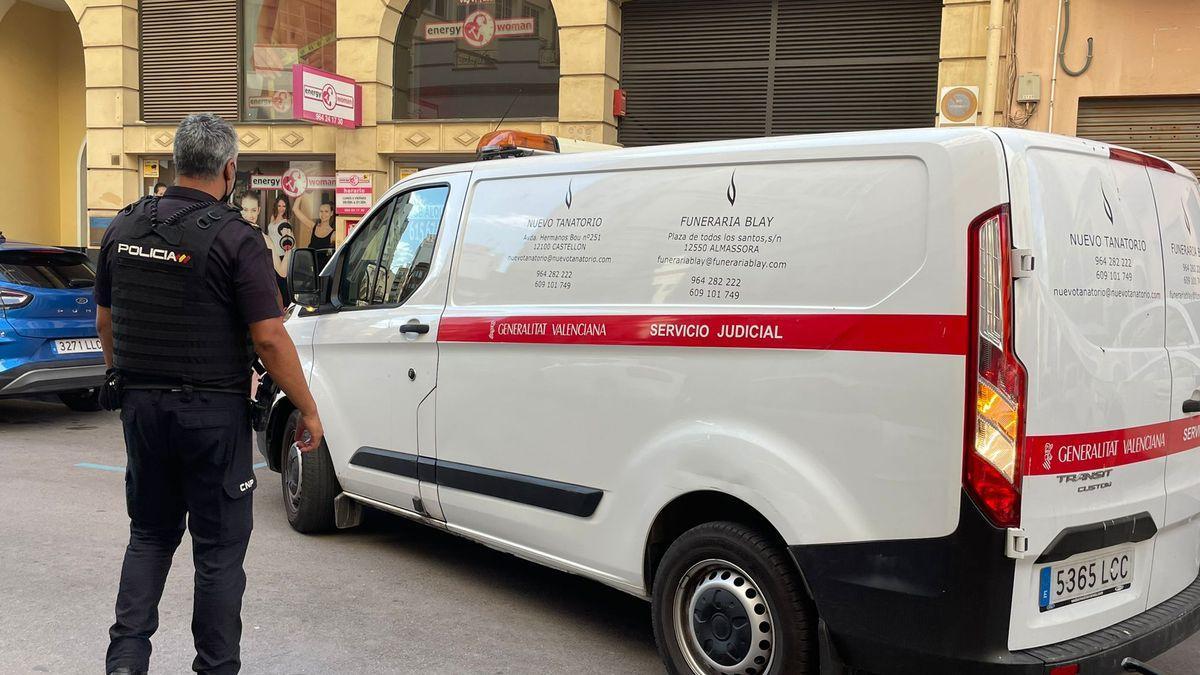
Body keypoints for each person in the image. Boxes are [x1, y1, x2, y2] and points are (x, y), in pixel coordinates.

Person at [94, 113, 324, 675]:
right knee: (218, 554)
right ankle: (216, 667)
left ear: (177, 161)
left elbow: (106, 321)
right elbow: (269, 338)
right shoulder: (234, 238)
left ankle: (125, 662)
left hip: (142, 409)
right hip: (211, 416)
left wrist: (126, 379)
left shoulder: (122, 228)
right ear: (229, 168)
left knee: (148, 536)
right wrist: (310, 409)